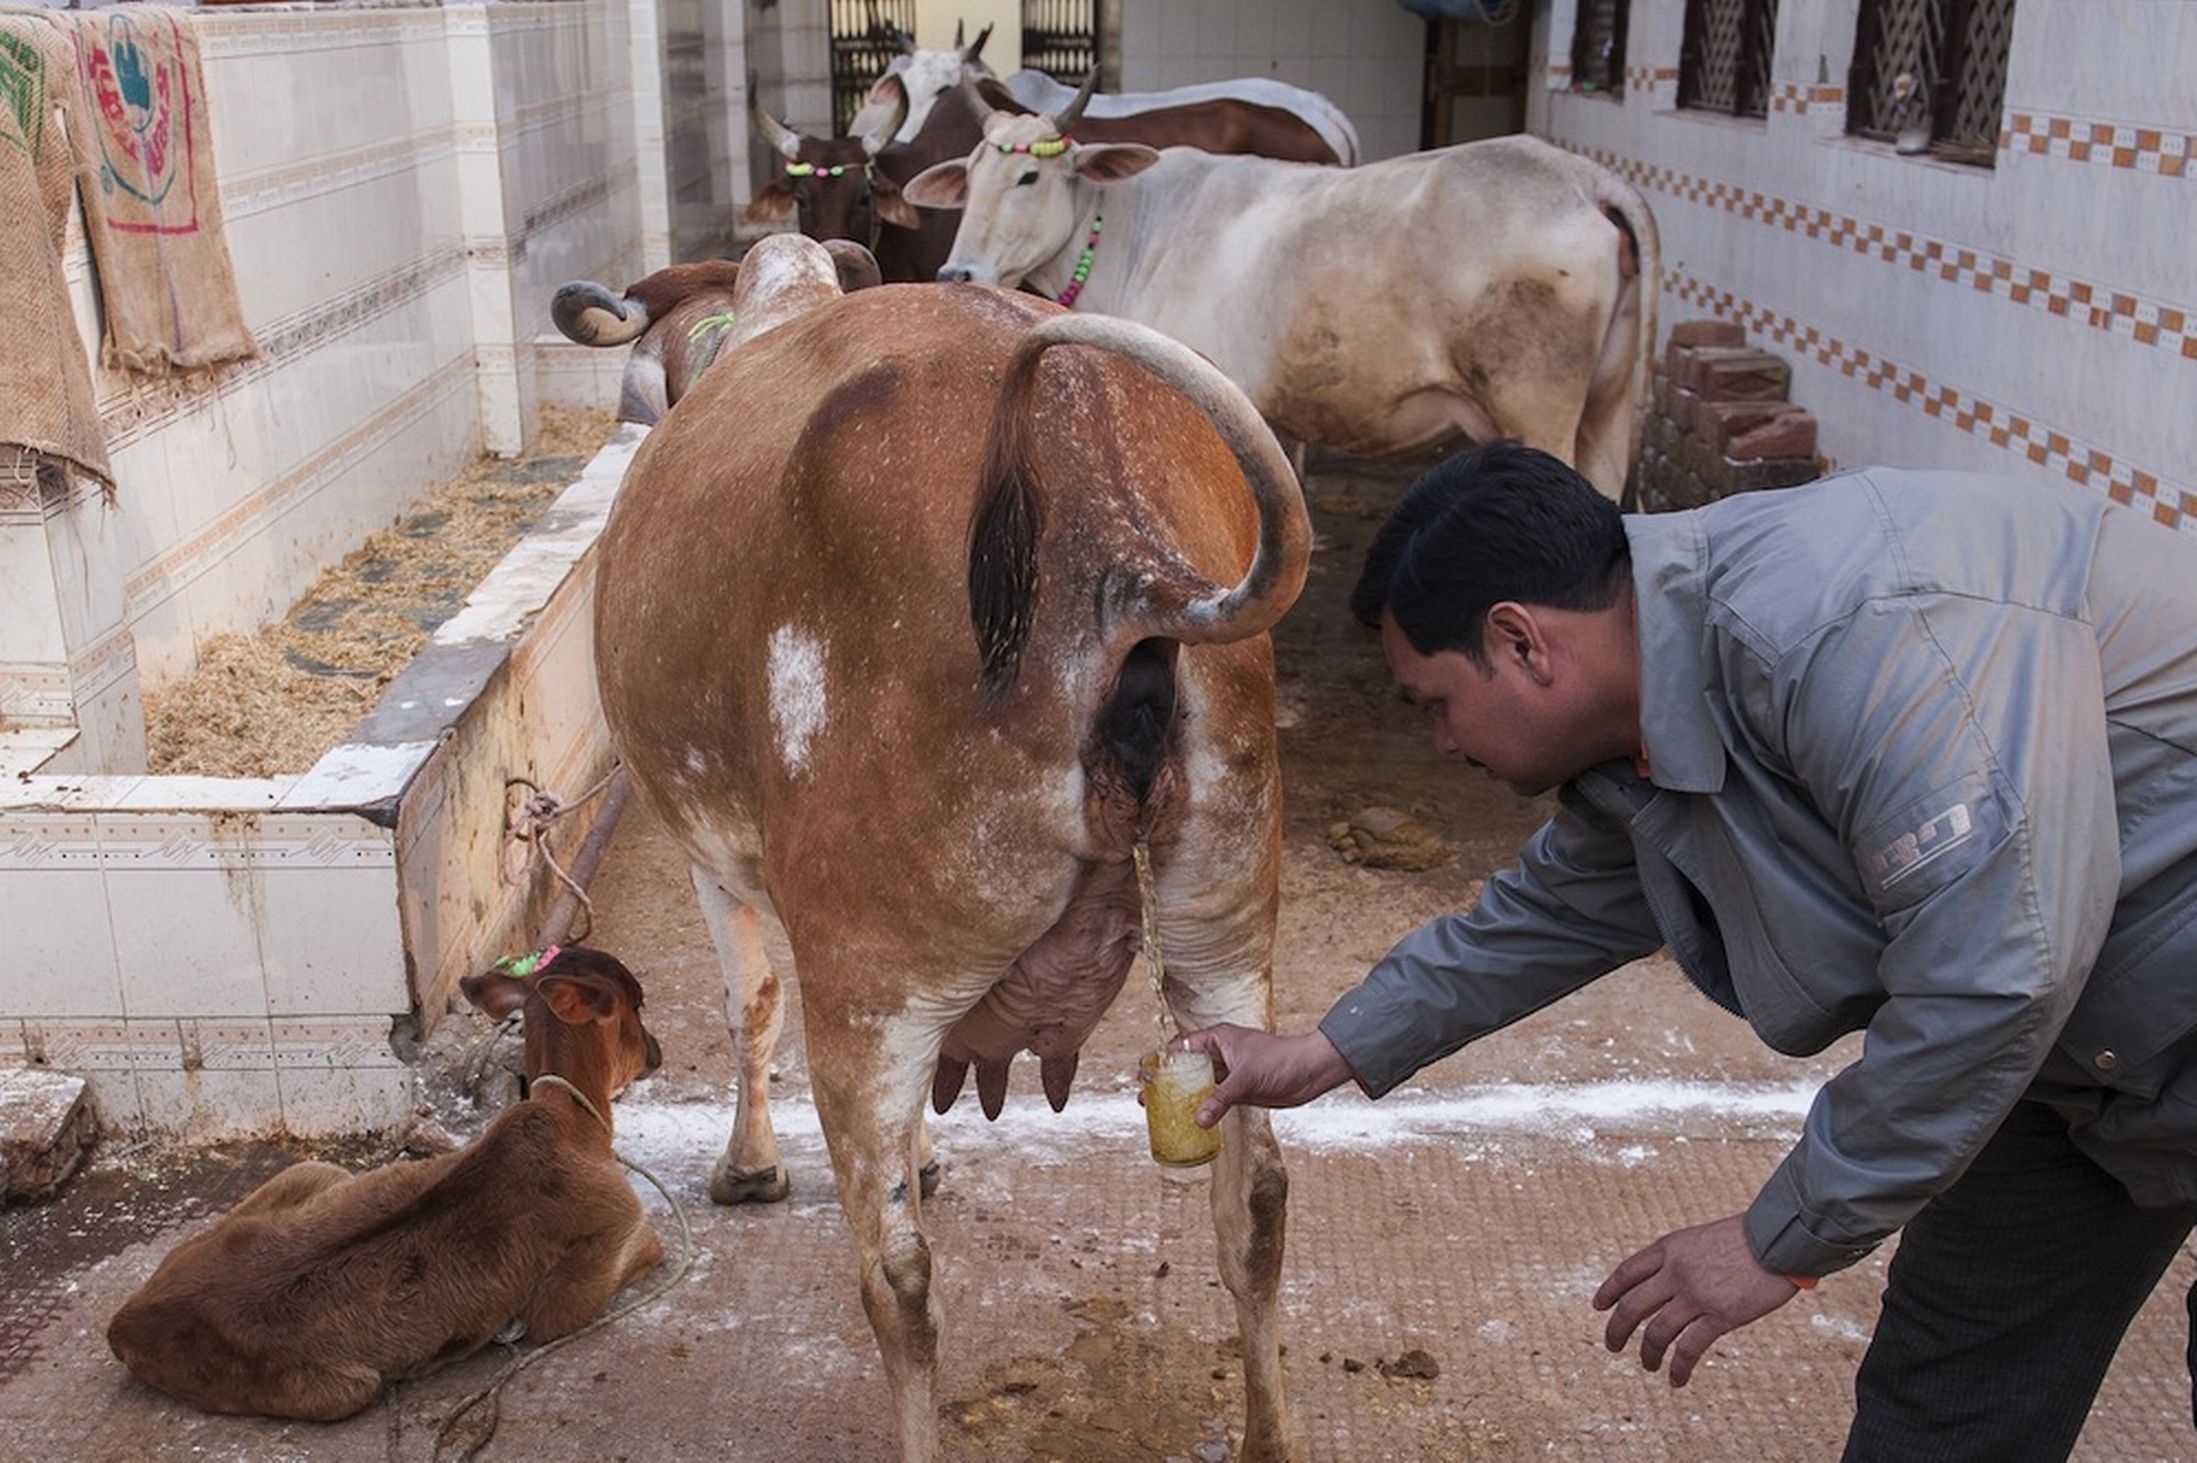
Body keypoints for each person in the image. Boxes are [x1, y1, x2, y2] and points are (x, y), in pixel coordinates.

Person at [1180, 443, 2197, 1459]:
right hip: (2079, 1065)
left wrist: (1777, 1235)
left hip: (2103, 1006)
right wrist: (1328, 1050)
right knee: (1951, 1393)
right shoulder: (1652, 720)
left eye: (1434, 702)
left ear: (1522, 641)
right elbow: (1547, 910)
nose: (1441, 742)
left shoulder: (1850, 623)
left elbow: (1997, 963)